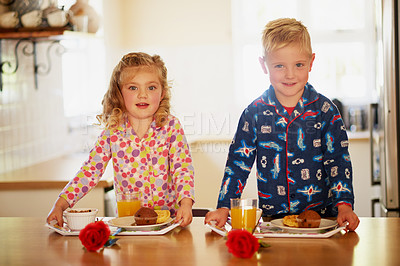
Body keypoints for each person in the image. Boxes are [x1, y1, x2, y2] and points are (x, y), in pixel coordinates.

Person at [205, 18, 359, 231]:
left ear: (311, 62)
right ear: (263, 65)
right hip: (273, 223)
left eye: (299, 65)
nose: (290, 74)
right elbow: (238, 163)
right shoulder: (254, 113)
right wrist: (224, 207)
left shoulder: (326, 111)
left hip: (322, 221)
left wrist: (344, 206)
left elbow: (338, 162)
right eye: (279, 66)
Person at [47, 52, 195, 227]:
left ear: (162, 93)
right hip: (129, 225)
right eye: (133, 88)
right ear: (119, 93)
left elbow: (182, 169)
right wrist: (60, 204)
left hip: (167, 224)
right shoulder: (113, 132)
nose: (142, 95)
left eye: (151, 87)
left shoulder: (171, 127)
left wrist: (186, 203)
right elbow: (89, 172)